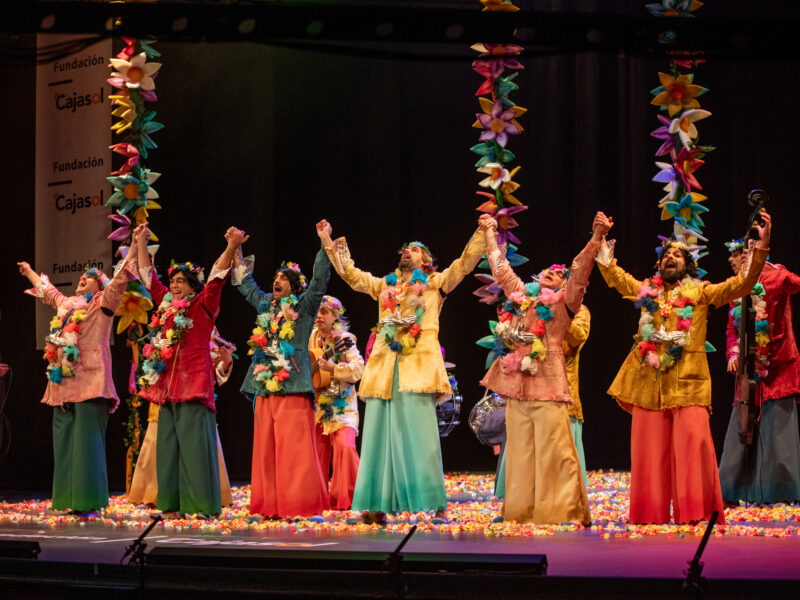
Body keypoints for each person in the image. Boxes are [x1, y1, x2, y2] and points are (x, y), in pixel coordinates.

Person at [595, 212, 772, 524]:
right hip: (648, 383)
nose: (670, 257)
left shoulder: (700, 292)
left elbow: (741, 284)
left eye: (677, 254)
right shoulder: (647, 290)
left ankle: (696, 513)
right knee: (648, 454)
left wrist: (762, 247)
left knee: (692, 450)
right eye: (666, 254)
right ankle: (649, 515)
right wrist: (600, 244)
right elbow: (616, 279)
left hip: (689, 383)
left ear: (688, 265)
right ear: (659, 265)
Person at [317, 219, 486, 522]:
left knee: (421, 439)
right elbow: (352, 276)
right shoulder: (385, 286)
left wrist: (482, 233)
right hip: (384, 370)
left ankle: (435, 506)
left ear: (427, 261)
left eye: (415, 250)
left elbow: (464, 264)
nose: (407, 252)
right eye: (406, 249)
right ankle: (376, 506)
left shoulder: (435, 285)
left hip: (417, 371)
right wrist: (329, 242)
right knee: (379, 439)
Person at [479, 212, 609, 525]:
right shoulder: (524, 298)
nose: (550, 273)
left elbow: (579, 272)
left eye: (557, 273)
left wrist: (595, 238)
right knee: (521, 453)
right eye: (547, 272)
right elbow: (501, 269)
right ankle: (520, 512)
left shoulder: (566, 303)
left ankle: (564, 511)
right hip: (518, 383)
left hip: (548, 381)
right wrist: (488, 232)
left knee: (556, 450)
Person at [134, 223, 244, 517]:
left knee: (195, 452)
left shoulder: (202, 305)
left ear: (194, 286)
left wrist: (232, 246)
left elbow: (218, 276)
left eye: (182, 280)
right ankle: (170, 505)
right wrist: (141, 243)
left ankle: (199, 506)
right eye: (174, 280)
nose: (175, 284)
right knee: (166, 452)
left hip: (194, 387)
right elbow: (149, 278)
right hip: (167, 390)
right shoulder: (166, 305)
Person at [18, 247, 135, 514]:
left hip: (91, 382)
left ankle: (88, 502)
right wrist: (29, 272)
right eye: (82, 275)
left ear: (100, 284)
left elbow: (119, 281)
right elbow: (48, 292)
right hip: (62, 385)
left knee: (87, 445)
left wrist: (134, 245)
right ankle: (67, 500)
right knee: (64, 443)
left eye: (90, 275)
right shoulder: (67, 304)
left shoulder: (103, 304)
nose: (83, 277)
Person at [231, 222, 332, 518]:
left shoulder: (304, 305)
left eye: (284, 278)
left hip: (294, 385)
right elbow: (243, 284)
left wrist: (323, 240)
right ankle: (268, 506)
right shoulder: (266, 306)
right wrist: (236, 248)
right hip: (264, 385)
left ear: (295, 287)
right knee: (265, 450)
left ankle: (300, 504)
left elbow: (319, 281)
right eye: (275, 277)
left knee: (295, 449)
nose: (277, 281)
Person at [718, 236, 800, 504]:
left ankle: (778, 492)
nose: (730, 260)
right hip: (749, 364)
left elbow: (794, 284)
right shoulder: (738, 286)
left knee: (777, 429)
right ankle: (733, 491)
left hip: (779, 364)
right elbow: (732, 328)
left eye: (735, 254)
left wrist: (764, 257)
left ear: (748, 254)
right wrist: (733, 352)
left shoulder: (774, 275)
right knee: (741, 426)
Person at [128, 325, 236, 509]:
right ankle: (153, 493)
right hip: (165, 397)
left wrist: (225, 362)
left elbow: (217, 368)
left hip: (192, 397)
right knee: (158, 442)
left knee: (194, 446)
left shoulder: (206, 325)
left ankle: (198, 495)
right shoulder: (165, 321)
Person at [308, 295, 364, 510]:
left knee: (345, 447)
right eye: (317, 311)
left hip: (343, 407)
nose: (319, 316)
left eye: (324, 312)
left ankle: (348, 499)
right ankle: (318, 501)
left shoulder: (344, 338)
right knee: (317, 454)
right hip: (317, 407)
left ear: (335, 316)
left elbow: (359, 369)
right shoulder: (310, 337)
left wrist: (334, 369)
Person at [564, 304, 591, 480]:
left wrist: (559, 313)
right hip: (533, 395)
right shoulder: (534, 305)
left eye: (557, 273)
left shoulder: (579, 310)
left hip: (564, 398)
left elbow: (578, 337)